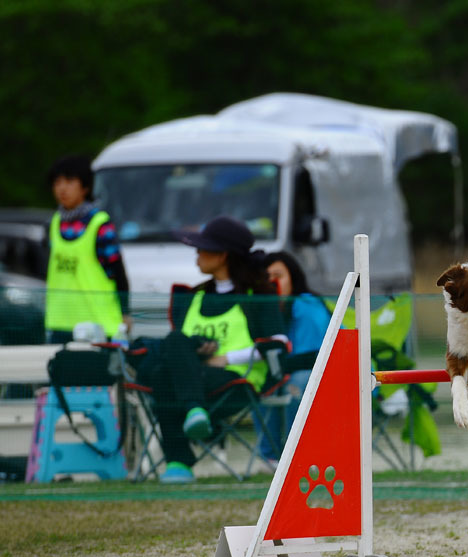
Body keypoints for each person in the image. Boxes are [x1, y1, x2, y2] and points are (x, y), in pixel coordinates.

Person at [140, 216, 287, 484]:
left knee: (164, 376)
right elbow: (180, 347)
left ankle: (179, 459)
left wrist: (225, 358)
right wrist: (197, 352)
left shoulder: (257, 295)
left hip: (238, 381)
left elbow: (278, 343)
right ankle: (191, 419)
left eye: (203, 248)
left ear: (222, 256)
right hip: (196, 379)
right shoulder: (194, 297)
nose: (197, 254)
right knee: (172, 347)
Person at [254, 251, 333, 459]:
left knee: (296, 382)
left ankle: (296, 457)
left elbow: (318, 357)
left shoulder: (305, 306)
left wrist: (280, 367)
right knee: (258, 383)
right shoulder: (264, 310)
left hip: (334, 373)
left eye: (278, 276)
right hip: (294, 371)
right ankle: (270, 458)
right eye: (266, 278)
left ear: (293, 277)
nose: (271, 283)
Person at [45, 155, 130, 343]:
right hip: (60, 324)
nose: (62, 188)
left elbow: (118, 272)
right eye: (57, 182)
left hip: (98, 325)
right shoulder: (54, 223)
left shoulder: (99, 224)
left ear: (85, 187)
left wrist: (126, 313)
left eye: (69, 181)